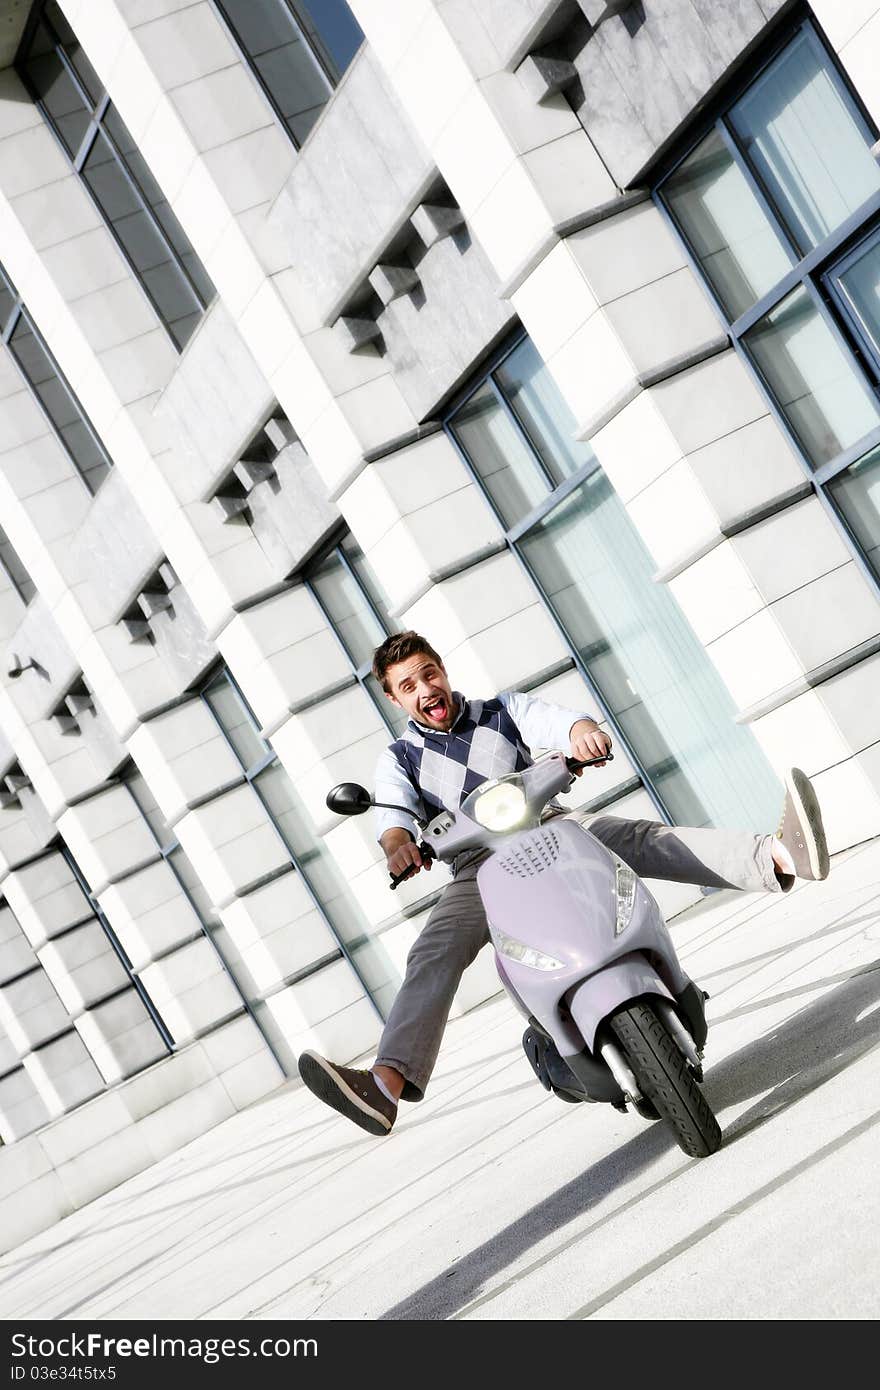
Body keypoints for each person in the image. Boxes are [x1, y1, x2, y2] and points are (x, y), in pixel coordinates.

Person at [298, 631, 830, 1135]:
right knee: (433, 950)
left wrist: (582, 734)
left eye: (428, 673)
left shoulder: (502, 711)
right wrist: (399, 848)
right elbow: (392, 818)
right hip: (476, 867)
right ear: (395, 700)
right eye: (408, 686)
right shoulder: (399, 758)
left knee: (639, 837)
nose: (426, 689)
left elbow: (558, 723)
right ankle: (386, 1086)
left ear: (443, 670)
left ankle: (782, 857)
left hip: (550, 823)